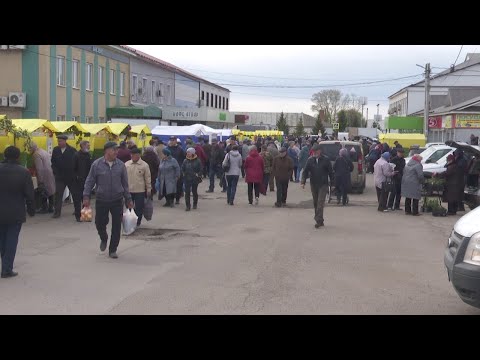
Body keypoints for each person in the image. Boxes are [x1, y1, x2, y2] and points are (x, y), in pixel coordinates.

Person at [83, 141, 133, 259]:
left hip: (117, 200)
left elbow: (125, 184)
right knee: (100, 223)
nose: (116, 152)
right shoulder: (97, 164)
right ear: (106, 151)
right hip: (102, 199)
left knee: (116, 226)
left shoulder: (121, 165)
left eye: (117, 150)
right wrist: (86, 196)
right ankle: (103, 238)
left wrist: (128, 199)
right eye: (114, 150)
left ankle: (113, 250)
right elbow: (90, 181)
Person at [0, 146, 35, 278]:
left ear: (5, 155)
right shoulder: (24, 172)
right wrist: (32, 211)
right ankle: (7, 268)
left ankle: (5, 264)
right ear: (18, 157)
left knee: (2, 238)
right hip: (16, 211)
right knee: (12, 239)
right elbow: (29, 194)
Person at [301, 144, 334, 228]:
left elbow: (331, 172)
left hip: (323, 184)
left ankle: (318, 220)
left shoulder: (326, 160)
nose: (314, 153)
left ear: (320, 151)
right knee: (316, 203)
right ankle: (320, 220)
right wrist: (303, 182)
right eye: (313, 151)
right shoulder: (310, 160)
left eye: (316, 151)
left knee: (320, 202)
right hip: (314, 184)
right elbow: (305, 171)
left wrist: (333, 184)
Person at [51, 134, 79, 219]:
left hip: (71, 177)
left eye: (60, 141)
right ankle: (57, 212)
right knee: (58, 194)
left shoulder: (72, 150)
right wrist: (55, 172)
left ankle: (77, 210)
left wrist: (75, 173)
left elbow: (76, 163)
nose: (59, 143)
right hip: (60, 177)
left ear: (65, 141)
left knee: (75, 194)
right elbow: (53, 162)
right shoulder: (56, 150)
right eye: (58, 141)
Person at [125, 148, 151, 226]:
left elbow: (147, 178)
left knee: (139, 208)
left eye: (134, 155)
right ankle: (129, 222)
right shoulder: (127, 164)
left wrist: (149, 189)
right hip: (129, 190)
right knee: (129, 207)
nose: (132, 156)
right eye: (131, 155)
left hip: (140, 190)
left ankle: (137, 222)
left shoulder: (144, 165)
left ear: (139, 155)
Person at [29, 142, 55, 214]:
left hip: (43, 174)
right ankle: (51, 207)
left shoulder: (36, 154)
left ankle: (44, 208)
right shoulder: (43, 151)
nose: (29, 151)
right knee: (50, 190)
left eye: (29, 149)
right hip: (50, 172)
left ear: (32, 148)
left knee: (43, 190)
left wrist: (40, 180)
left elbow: (39, 168)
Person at [73, 140, 92, 221]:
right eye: (88, 145)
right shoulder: (76, 155)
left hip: (87, 180)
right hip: (78, 181)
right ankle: (78, 215)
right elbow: (73, 168)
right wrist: (76, 176)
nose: (89, 147)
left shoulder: (88, 155)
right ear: (83, 146)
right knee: (77, 199)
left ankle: (85, 216)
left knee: (86, 198)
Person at [167, 136, 186, 204]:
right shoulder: (167, 148)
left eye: (173, 140)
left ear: (176, 141)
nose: (172, 141)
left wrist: (182, 167)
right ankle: (171, 200)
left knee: (178, 185)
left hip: (178, 169)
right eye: (171, 140)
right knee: (170, 185)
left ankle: (177, 198)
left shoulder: (180, 149)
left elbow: (184, 158)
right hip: (169, 169)